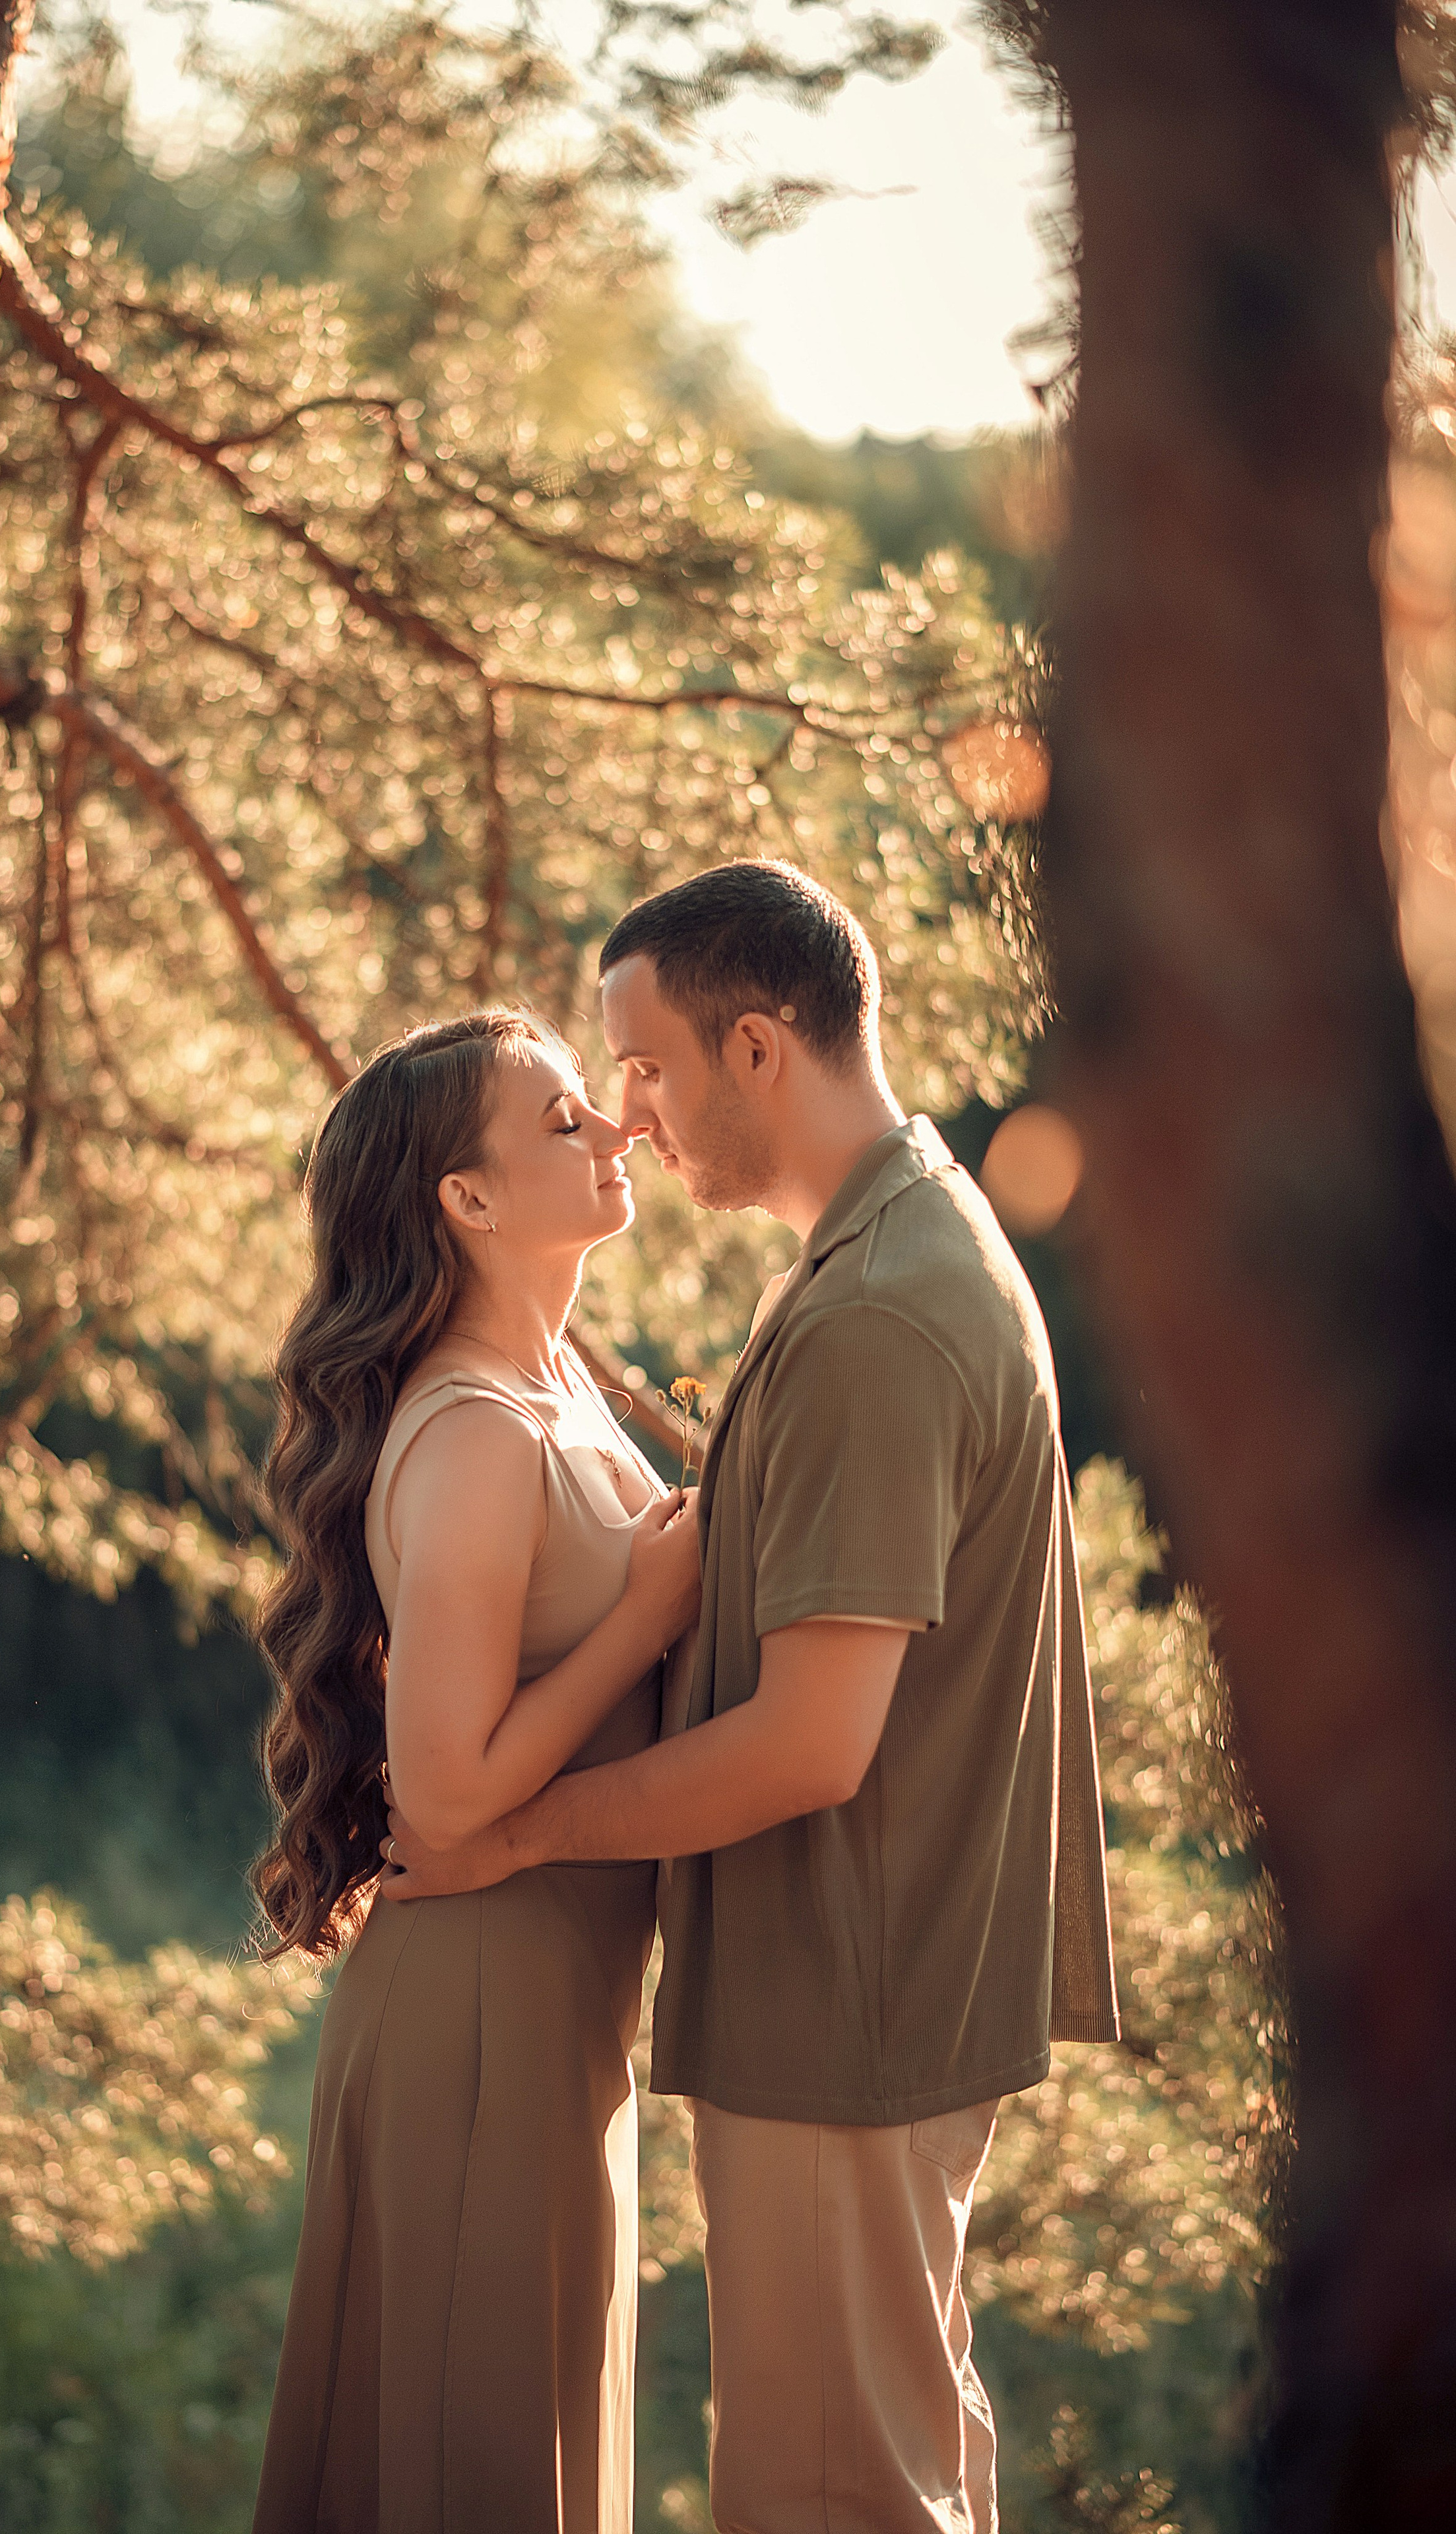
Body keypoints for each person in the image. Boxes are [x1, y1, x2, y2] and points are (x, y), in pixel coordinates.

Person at [386, 862, 1122, 2534]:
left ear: (758, 1048)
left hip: (846, 2000)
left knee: (832, 2501)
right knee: (894, 2473)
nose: (627, 1119)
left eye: (640, 1070)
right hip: (860, 1989)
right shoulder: (886, 1245)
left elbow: (810, 1742)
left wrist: (517, 1839)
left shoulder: (875, 1313)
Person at [248, 1009, 701, 2534]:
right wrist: (643, 1620)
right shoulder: (474, 1432)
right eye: (566, 1118)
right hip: (482, 2019)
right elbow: (441, 1797)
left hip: (555, 2009)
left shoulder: (556, 1384)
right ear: (468, 1199)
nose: (616, 1129)